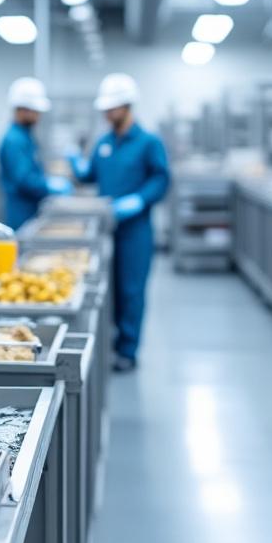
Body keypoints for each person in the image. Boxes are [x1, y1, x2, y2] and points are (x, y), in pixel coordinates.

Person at [70, 73, 170, 373]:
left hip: (134, 231)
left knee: (131, 290)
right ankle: (110, 343)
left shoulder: (148, 142)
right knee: (108, 290)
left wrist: (139, 200)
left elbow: (161, 179)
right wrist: (76, 162)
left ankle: (128, 350)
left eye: (111, 108)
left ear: (127, 106)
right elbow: (91, 175)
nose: (106, 113)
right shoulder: (104, 143)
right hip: (104, 229)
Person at [0, 76, 72, 230]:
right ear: (23, 110)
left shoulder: (25, 136)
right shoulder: (14, 140)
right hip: (21, 211)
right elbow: (24, 180)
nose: (39, 115)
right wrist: (48, 185)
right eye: (36, 111)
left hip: (30, 209)